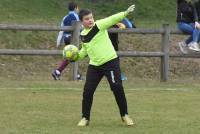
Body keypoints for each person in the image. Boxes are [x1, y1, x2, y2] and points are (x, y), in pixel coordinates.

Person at [71, 5, 136, 127]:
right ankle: (85, 118)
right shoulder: (83, 35)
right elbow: (85, 51)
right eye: (87, 19)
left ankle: (125, 115)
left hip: (110, 62)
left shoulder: (99, 25)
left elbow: (112, 19)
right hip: (94, 66)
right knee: (88, 91)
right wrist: (75, 57)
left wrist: (125, 13)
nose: (90, 20)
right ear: (82, 21)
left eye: (91, 17)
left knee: (117, 87)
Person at [52, 2, 83, 80]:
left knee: (70, 56)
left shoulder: (65, 17)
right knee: (73, 56)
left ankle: (75, 74)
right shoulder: (77, 17)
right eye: (78, 8)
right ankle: (58, 72)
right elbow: (81, 28)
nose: (78, 9)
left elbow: (61, 30)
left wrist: (58, 42)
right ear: (75, 8)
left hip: (66, 39)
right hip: (73, 39)